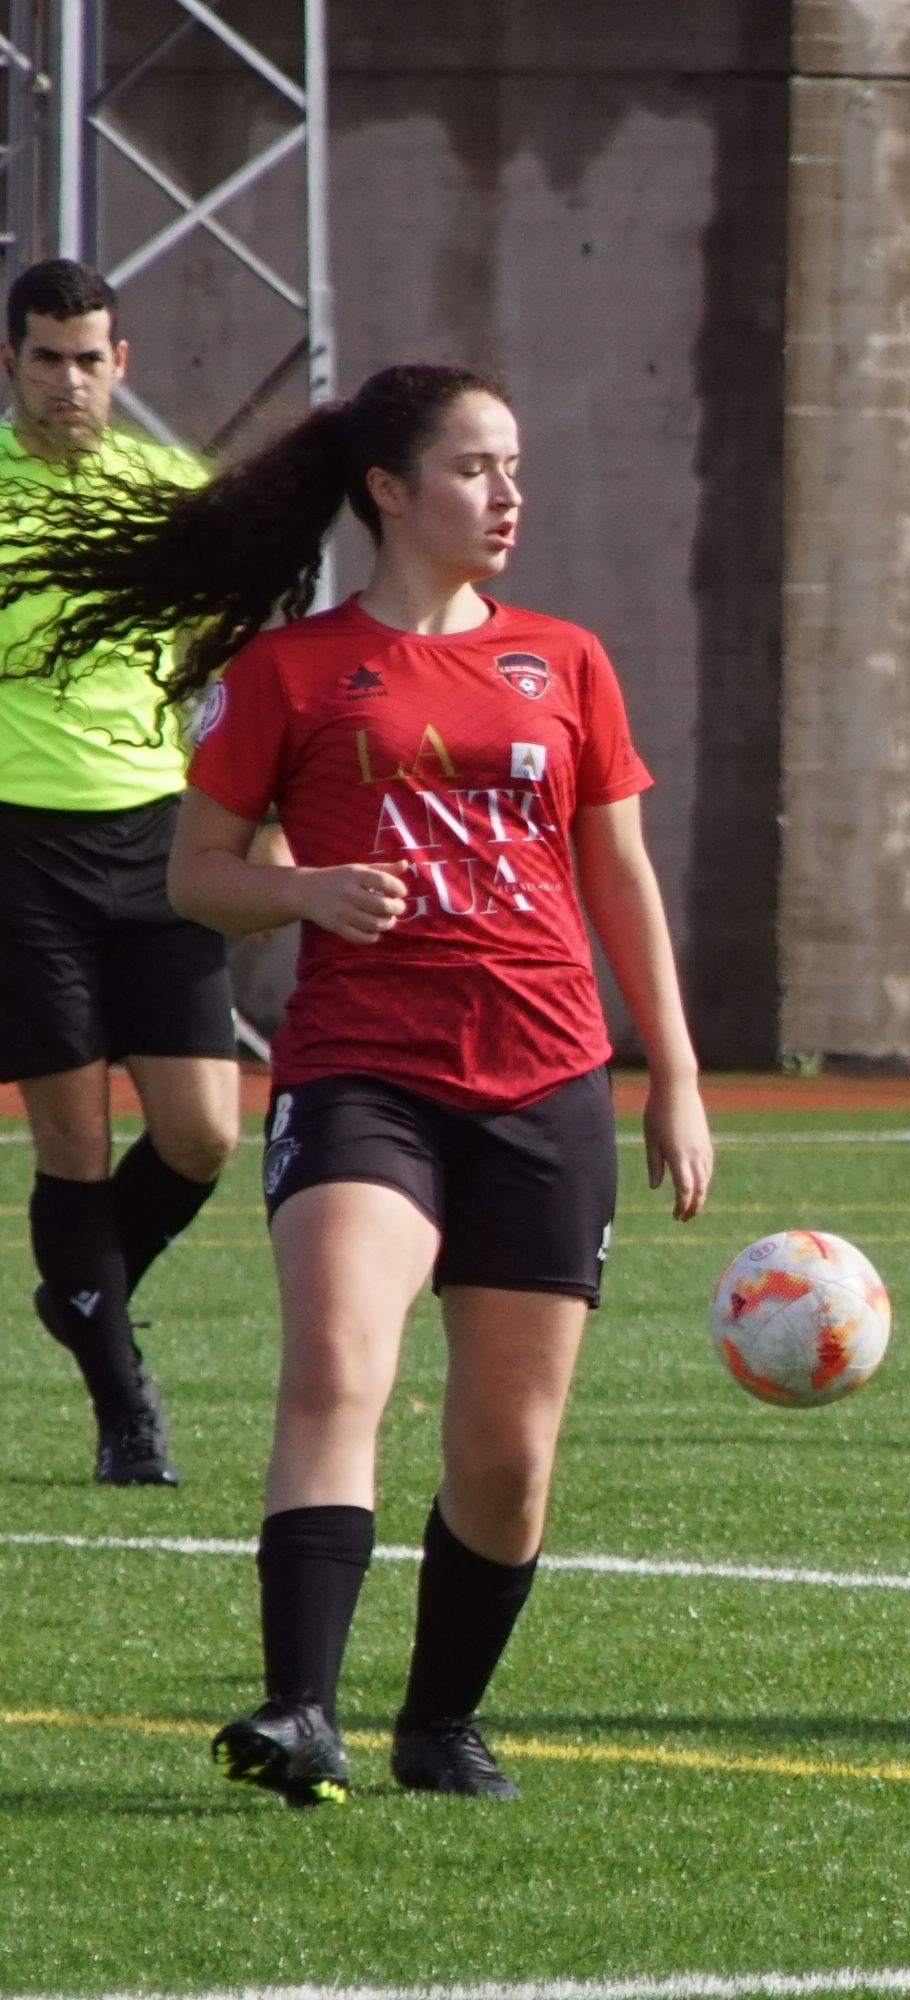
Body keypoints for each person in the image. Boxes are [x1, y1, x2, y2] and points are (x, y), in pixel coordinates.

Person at [0, 362, 716, 1806]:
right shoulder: (291, 672)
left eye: (514, 468)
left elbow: (619, 875)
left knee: (509, 1461)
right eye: (473, 469)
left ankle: (438, 1724)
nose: (506, 495)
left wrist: (677, 1078)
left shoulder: (565, 659)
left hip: (546, 1077)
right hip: (361, 1075)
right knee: (336, 1366)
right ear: (389, 491)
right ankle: (299, 1711)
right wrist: (307, 890)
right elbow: (198, 877)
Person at [0, 258, 226, 1485]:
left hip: (156, 840)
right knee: (73, 1143)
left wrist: (257, 818)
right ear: (11, 363)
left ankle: (84, 1291)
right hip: (19, 847)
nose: (70, 382)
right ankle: (124, 1406)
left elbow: (222, 673)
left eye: (91, 360)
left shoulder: (174, 497)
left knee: (200, 1135)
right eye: (47, 357)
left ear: (122, 365)